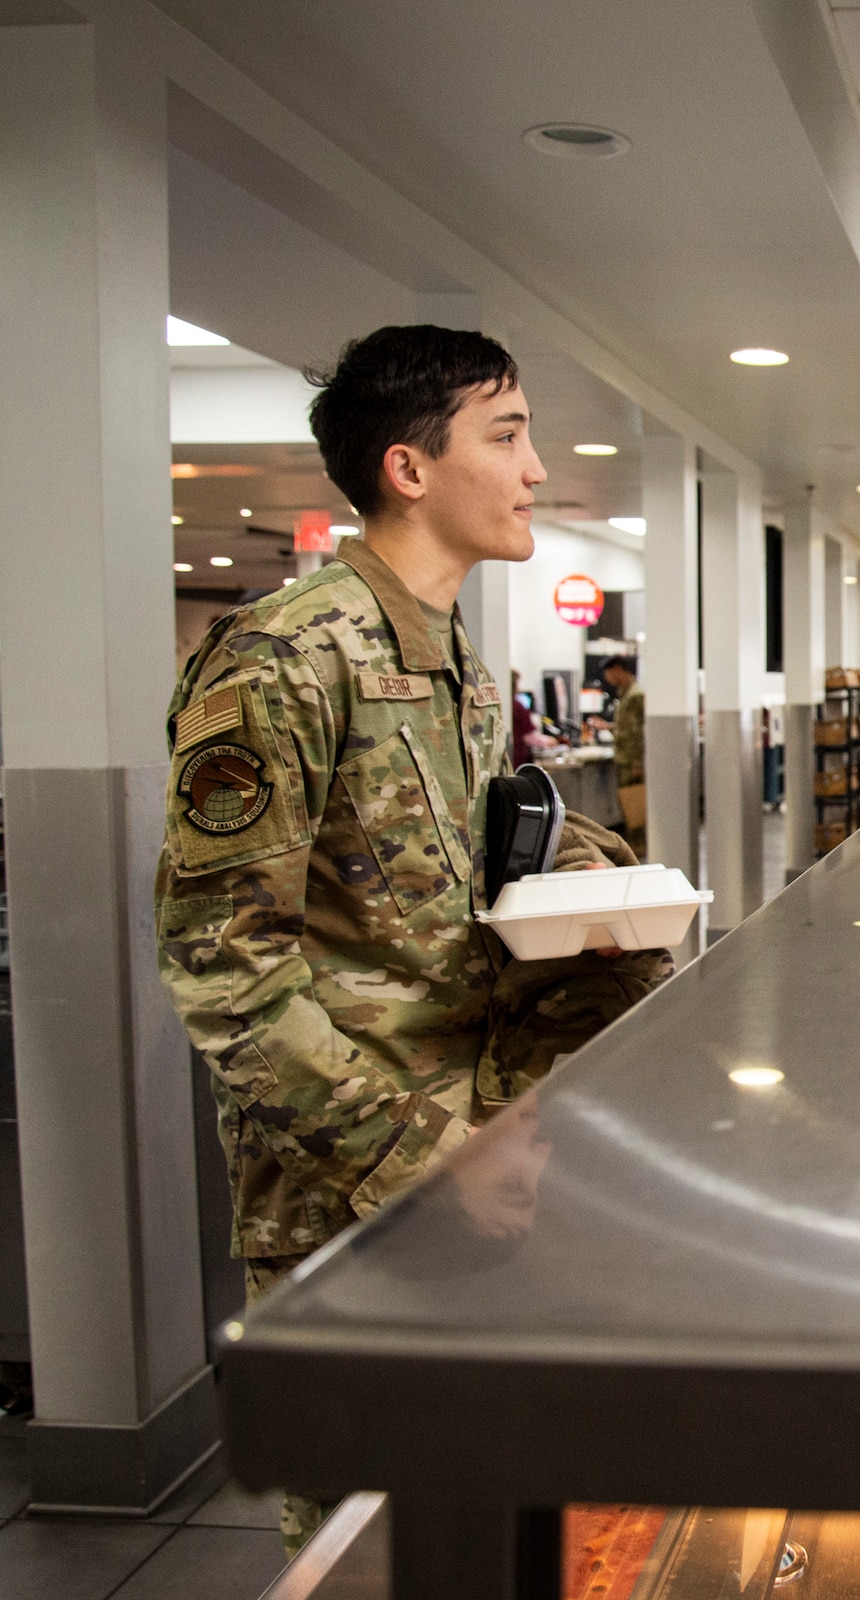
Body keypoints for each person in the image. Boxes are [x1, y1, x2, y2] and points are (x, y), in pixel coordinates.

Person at [154, 325, 671, 1555]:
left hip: (489, 1140)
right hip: (362, 1178)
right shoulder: (284, 656)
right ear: (409, 468)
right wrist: (426, 1154)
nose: (538, 466)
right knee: (369, 1545)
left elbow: (467, 861)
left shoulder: (456, 663)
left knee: (486, 1520)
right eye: (509, 435)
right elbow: (224, 967)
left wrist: (611, 883)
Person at [602, 654, 646, 854]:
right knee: (629, 804)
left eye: (609, 673)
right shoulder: (625, 693)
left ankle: (639, 846)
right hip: (624, 757)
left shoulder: (635, 695)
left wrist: (638, 763)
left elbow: (639, 733)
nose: (607, 678)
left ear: (619, 669)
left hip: (631, 760)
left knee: (634, 803)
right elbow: (628, 728)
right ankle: (635, 844)